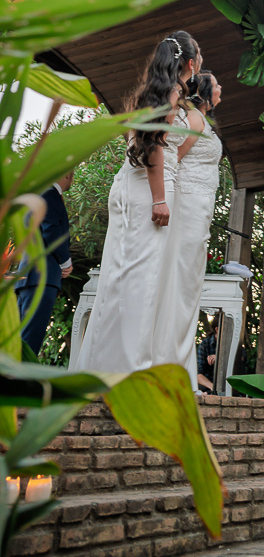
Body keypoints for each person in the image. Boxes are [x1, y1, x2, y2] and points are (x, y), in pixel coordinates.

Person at [74, 31, 202, 373]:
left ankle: (106, 365)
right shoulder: (173, 94)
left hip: (132, 185)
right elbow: (156, 145)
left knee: (122, 276)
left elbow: (161, 146)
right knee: (142, 280)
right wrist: (160, 198)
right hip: (150, 190)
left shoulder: (150, 93)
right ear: (190, 63)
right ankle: (130, 371)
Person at [166, 69, 224, 391]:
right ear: (204, 91)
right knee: (183, 286)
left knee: (189, 287)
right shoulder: (195, 121)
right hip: (187, 209)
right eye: (217, 85)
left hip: (199, 210)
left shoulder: (202, 121)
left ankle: (181, 366)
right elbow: (173, 158)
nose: (221, 89)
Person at [16, 171, 74, 355]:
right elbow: (52, 231)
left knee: (19, 339)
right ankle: (20, 382)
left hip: (28, 277)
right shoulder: (50, 195)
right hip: (42, 277)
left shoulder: (34, 200)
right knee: (30, 340)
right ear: (66, 175)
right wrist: (66, 262)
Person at [196, 314, 219, 393]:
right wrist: (212, 387)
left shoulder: (233, 343)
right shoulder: (205, 345)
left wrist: (219, 358)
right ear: (217, 329)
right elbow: (198, 374)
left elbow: (242, 358)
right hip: (208, 385)